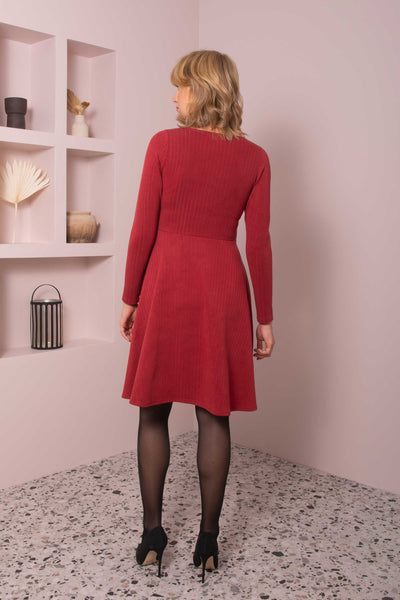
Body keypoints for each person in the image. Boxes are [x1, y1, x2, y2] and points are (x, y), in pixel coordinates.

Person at [119, 49, 275, 583]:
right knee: (214, 414)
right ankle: (208, 540)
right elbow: (259, 243)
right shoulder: (255, 158)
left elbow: (143, 229)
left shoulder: (163, 145)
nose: (173, 96)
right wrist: (265, 317)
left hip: (166, 282)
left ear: (202, 90)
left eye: (180, 86)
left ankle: (152, 535)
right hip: (222, 289)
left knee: (152, 411)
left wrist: (130, 297)